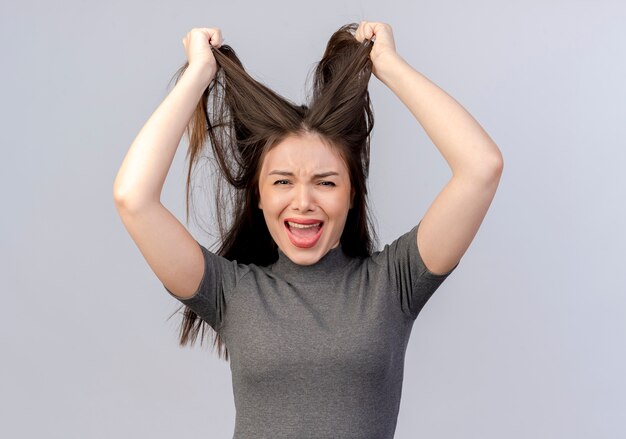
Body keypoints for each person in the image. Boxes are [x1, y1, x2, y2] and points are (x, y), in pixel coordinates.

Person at [113, 21, 503, 439]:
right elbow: (133, 198)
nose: (303, 202)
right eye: (282, 181)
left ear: (352, 195)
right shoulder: (231, 292)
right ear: (259, 197)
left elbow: (480, 167)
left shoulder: (394, 284)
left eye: (326, 182)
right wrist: (199, 75)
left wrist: (388, 66)